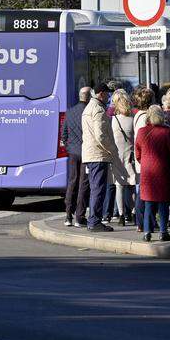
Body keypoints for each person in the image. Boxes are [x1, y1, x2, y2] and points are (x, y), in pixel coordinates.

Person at [135, 105, 170, 242]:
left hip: (147, 171)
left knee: (148, 203)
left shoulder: (142, 131)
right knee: (163, 203)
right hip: (163, 170)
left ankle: (147, 232)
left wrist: (144, 161)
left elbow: (137, 153)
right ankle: (163, 231)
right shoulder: (166, 132)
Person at [82, 83, 116, 232]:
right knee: (98, 189)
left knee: (95, 188)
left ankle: (93, 220)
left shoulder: (89, 107)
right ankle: (95, 221)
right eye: (107, 94)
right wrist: (112, 150)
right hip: (98, 154)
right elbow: (101, 135)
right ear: (101, 93)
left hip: (91, 153)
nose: (108, 97)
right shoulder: (98, 109)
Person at [62, 87, 91, 228]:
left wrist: (69, 148)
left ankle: (68, 216)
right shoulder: (89, 112)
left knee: (72, 182)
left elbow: (64, 134)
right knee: (83, 184)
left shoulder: (70, 111)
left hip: (73, 152)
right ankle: (80, 217)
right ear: (89, 97)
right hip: (86, 152)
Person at [110, 89, 136, 227]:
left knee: (119, 186)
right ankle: (132, 212)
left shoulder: (113, 120)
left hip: (117, 157)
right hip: (130, 156)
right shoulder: (132, 120)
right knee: (132, 185)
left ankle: (121, 215)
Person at [132, 88, 155, 233]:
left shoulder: (138, 115)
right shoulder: (144, 117)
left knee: (143, 191)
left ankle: (145, 221)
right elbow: (143, 140)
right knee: (143, 192)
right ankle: (142, 222)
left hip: (142, 159)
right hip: (145, 159)